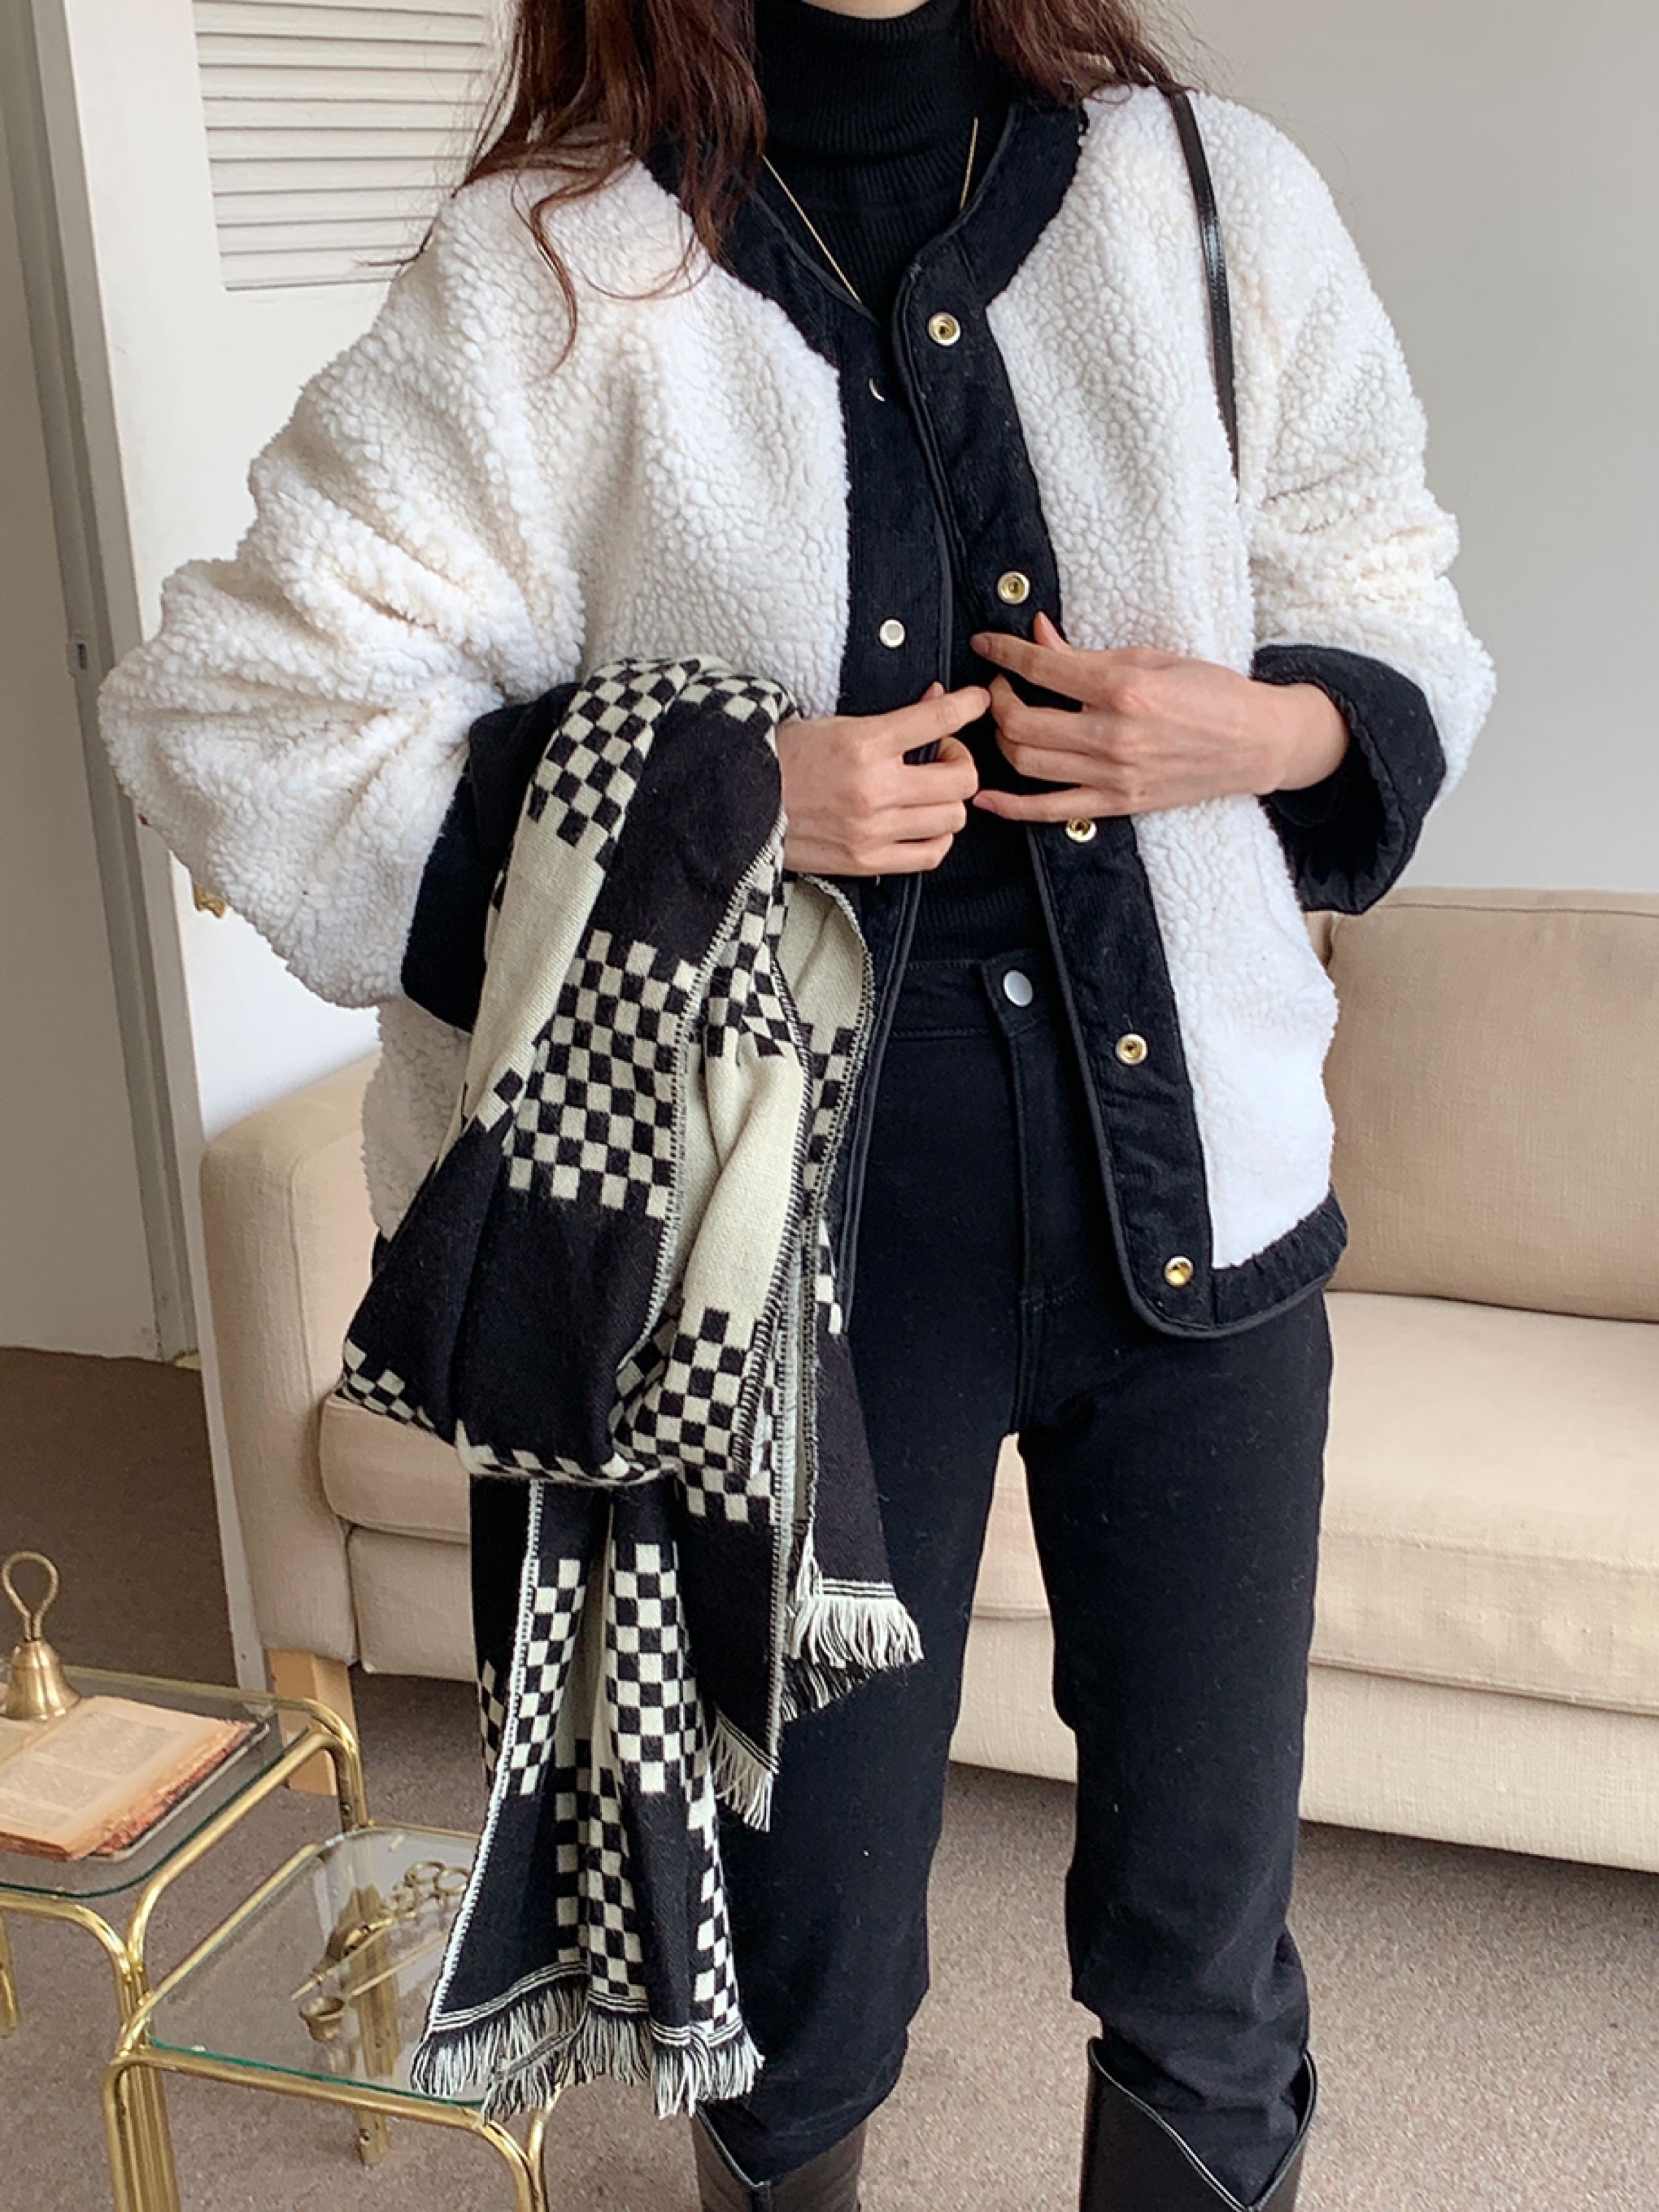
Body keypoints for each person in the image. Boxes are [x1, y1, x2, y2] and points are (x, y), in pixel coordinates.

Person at [98, 0, 1496, 2205]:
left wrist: (1272, 731)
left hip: (1202, 1194)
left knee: (1210, 1941)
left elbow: (1384, 576)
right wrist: (728, 800)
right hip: (787, 1264)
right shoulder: (549, 270)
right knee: (796, 1950)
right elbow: (234, 717)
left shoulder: (1211, 194)